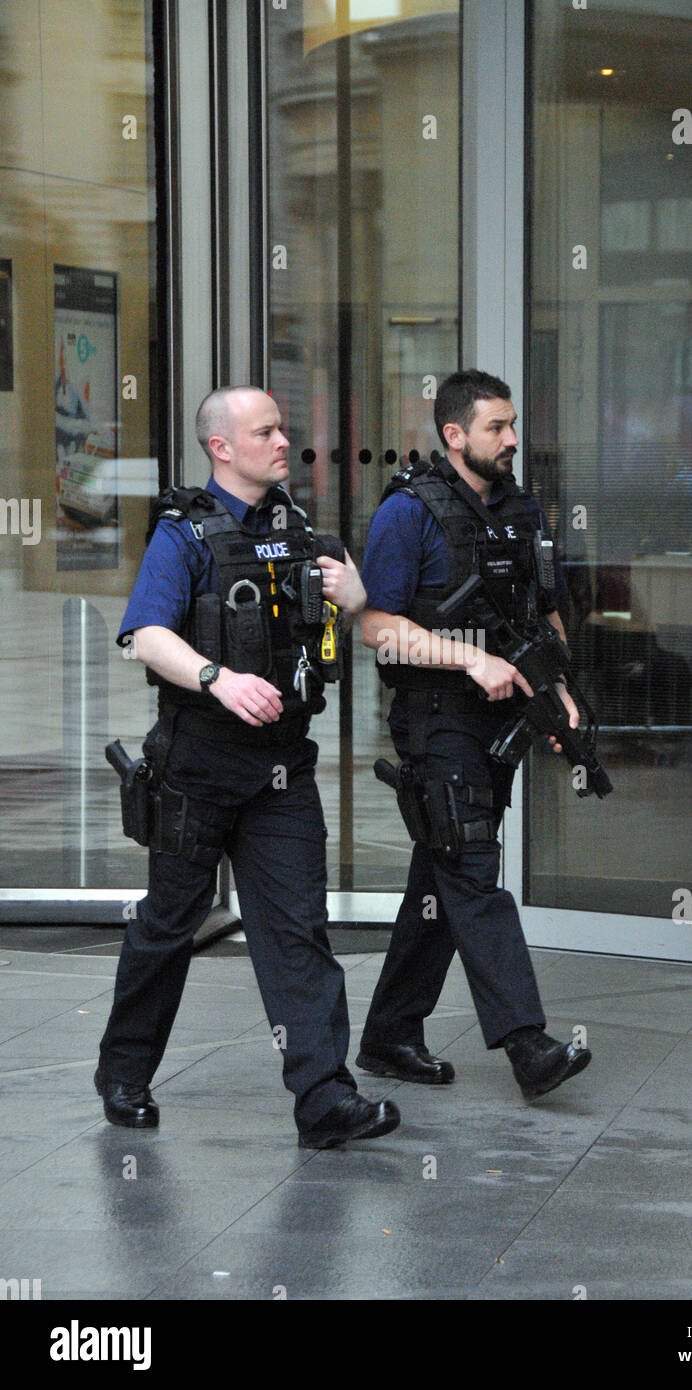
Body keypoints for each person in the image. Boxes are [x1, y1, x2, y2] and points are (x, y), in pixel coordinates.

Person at [96, 385, 400, 1149]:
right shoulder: (184, 533)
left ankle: (325, 1098)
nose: (281, 442)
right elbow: (144, 635)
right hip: (197, 765)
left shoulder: (299, 529)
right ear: (220, 448)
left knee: (298, 930)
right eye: (264, 431)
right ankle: (124, 1073)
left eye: (282, 427)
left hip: (281, 771)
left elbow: (361, 609)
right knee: (168, 926)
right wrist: (216, 678)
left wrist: (350, 590)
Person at [357, 369, 593, 1099]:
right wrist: (470, 657)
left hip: (502, 721)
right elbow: (375, 628)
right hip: (437, 719)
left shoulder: (522, 512)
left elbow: (544, 612)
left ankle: (390, 1034)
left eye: (513, 424)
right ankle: (527, 1043)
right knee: (470, 869)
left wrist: (558, 694)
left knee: (441, 874)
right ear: (454, 435)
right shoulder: (408, 512)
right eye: (496, 427)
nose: (512, 439)